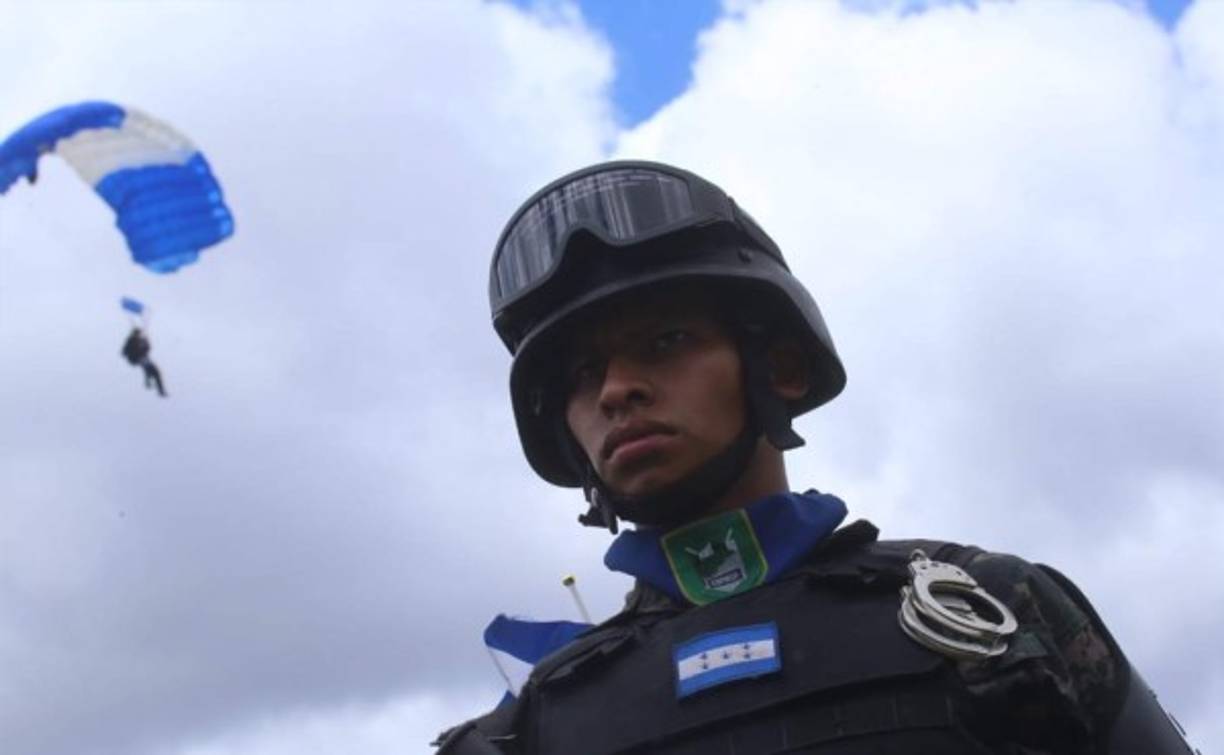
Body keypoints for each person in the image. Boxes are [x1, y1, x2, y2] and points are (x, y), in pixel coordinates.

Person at [435, 161, 1196, 753]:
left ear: (782, 368)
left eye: (665, 341)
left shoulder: (989, 615)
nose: (616, 390)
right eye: (581, 375)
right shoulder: (527, 726)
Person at [121, 327, 167, 397]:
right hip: (137, 359)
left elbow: (147, 349)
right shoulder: (131, 341)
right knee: (154, 371)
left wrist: (146, 342)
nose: (139, 335)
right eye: (138, 334)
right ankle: (156, 388)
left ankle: (149, 383)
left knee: (152, 370)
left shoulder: (140, 340)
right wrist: (135, 351)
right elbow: (124, 352)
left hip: (141, 359)